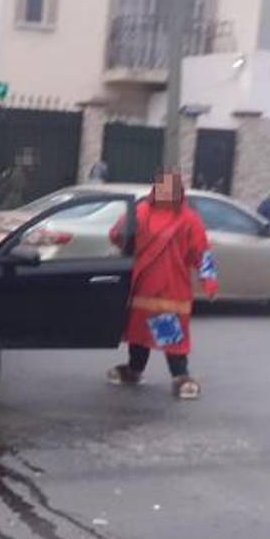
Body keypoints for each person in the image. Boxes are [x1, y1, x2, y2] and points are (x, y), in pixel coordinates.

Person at [106, 171, 219, 400]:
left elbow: (202, 253)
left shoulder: (183, 219)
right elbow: (118, 234)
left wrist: (209, 281)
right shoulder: (149, 213)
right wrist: (209, 280)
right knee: (140, 334)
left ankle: (179, 375)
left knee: (168, 335)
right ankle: (137, 369)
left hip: (165, 289)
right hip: (151, 288)